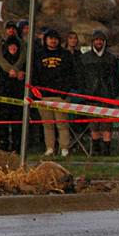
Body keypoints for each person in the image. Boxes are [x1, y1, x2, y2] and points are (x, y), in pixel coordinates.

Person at [32, 29, 75, 157]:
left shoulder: (66, 55)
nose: (53, 41)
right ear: (45, 40)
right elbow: (34, 75)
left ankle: (64, 148)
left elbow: (70, 75)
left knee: (62, 124)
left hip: (60, 96)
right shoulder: (39, 55)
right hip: (44, 96)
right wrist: (37, 92)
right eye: (50, 38)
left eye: (55, 38)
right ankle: (50, 148)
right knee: (48, 125)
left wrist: (64, 92)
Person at [80, 29, 119, 156]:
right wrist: (85, 91)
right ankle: (96, 149)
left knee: (107, 123)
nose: (98, 42)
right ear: (92, 42)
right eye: (96, 40)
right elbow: (80, 77)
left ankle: (106, 150)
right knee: (94, 123)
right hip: (91, 95)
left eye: (101, 40)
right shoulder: (85, 58)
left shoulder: (111, 58)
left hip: (107, 95)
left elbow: (116, 78)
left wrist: (113, 93)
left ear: (104, 42)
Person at [0, 36, 25, 152]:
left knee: (17, 120)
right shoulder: (2, 60)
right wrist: (9, 74)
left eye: (15, 46)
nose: (13, 48)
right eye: (10, 46)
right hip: (4, 94)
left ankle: (17, 145)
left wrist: (22, 74)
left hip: (17, 94)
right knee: (3, 120)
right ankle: (3, 143)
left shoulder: (23, 61)